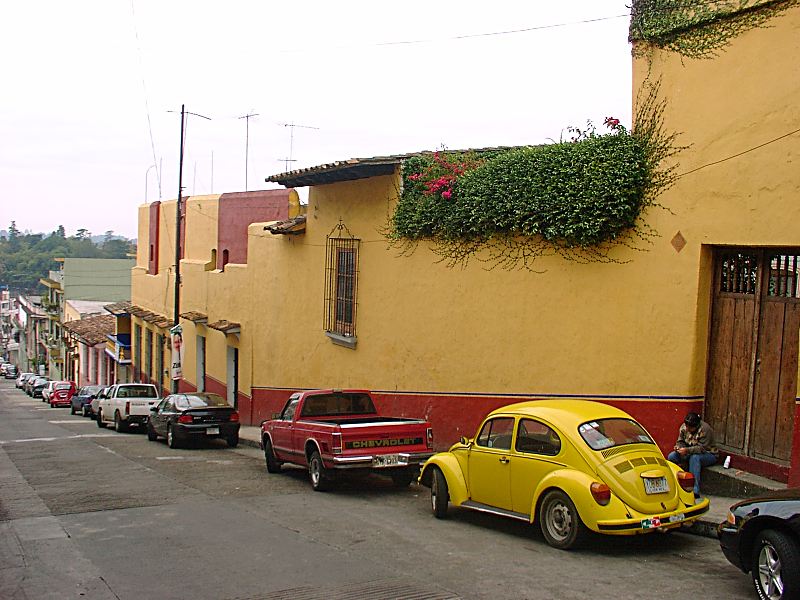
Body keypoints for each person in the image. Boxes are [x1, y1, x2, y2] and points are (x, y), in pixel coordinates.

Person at [667, 412, 718, 498]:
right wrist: (679, 447)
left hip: (708, 454)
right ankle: (674, 485)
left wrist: (686, 450)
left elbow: (701, 448)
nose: (688, 429)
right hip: (688, 451)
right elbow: (680, 441)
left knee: (695, 458)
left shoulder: (705, 429)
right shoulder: (684, 428)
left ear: (696, 426)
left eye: (690, 428)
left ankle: (694, 490)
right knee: (672, 456)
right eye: (687, 426)